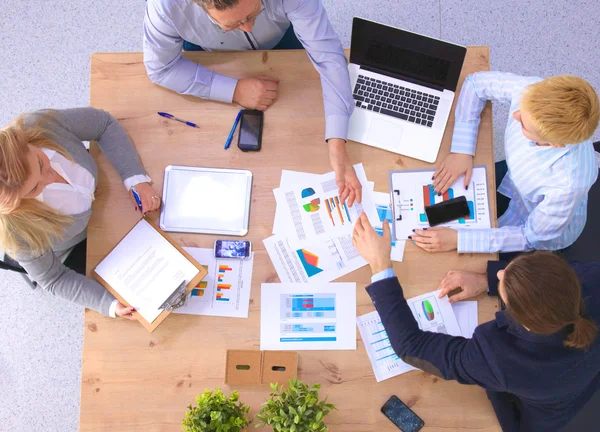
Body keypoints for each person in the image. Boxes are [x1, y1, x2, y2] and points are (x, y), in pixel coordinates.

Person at [351, 212, 600, 431]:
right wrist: (487, 280)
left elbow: (410, 346)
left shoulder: (499, 358)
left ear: (526, 324)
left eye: (503, 283)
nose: (500, 273)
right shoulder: (591, 277)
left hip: (540, 413)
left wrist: (380, 265)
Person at [143, 0, 362, 206]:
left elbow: (328, 58)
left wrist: (336, 140)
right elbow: (161, 68)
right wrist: (233, 89)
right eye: (233, 24)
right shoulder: (165, 6)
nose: (248, 28)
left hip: (283, 39)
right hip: (213, 55)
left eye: (254, 11)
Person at [409, 73, 599, 254]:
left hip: (536, 225)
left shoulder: (568, 185)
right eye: (522, 108)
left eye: (523, 124)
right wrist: (462, 150)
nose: (515, 115)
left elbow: (531, 237)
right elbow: (476, 84)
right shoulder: (533, 91)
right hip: (514, 177)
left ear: (553, 144)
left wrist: (459, 241)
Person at [0, 108, 161, 319]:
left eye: (40, 162)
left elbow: (104, 124)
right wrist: (109, 305)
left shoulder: (40, 124)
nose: (49, 179)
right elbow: (54, 279)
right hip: (74, 246)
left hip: (106, 205)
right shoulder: (18, 235)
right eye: (33, 189)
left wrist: (134, 178)